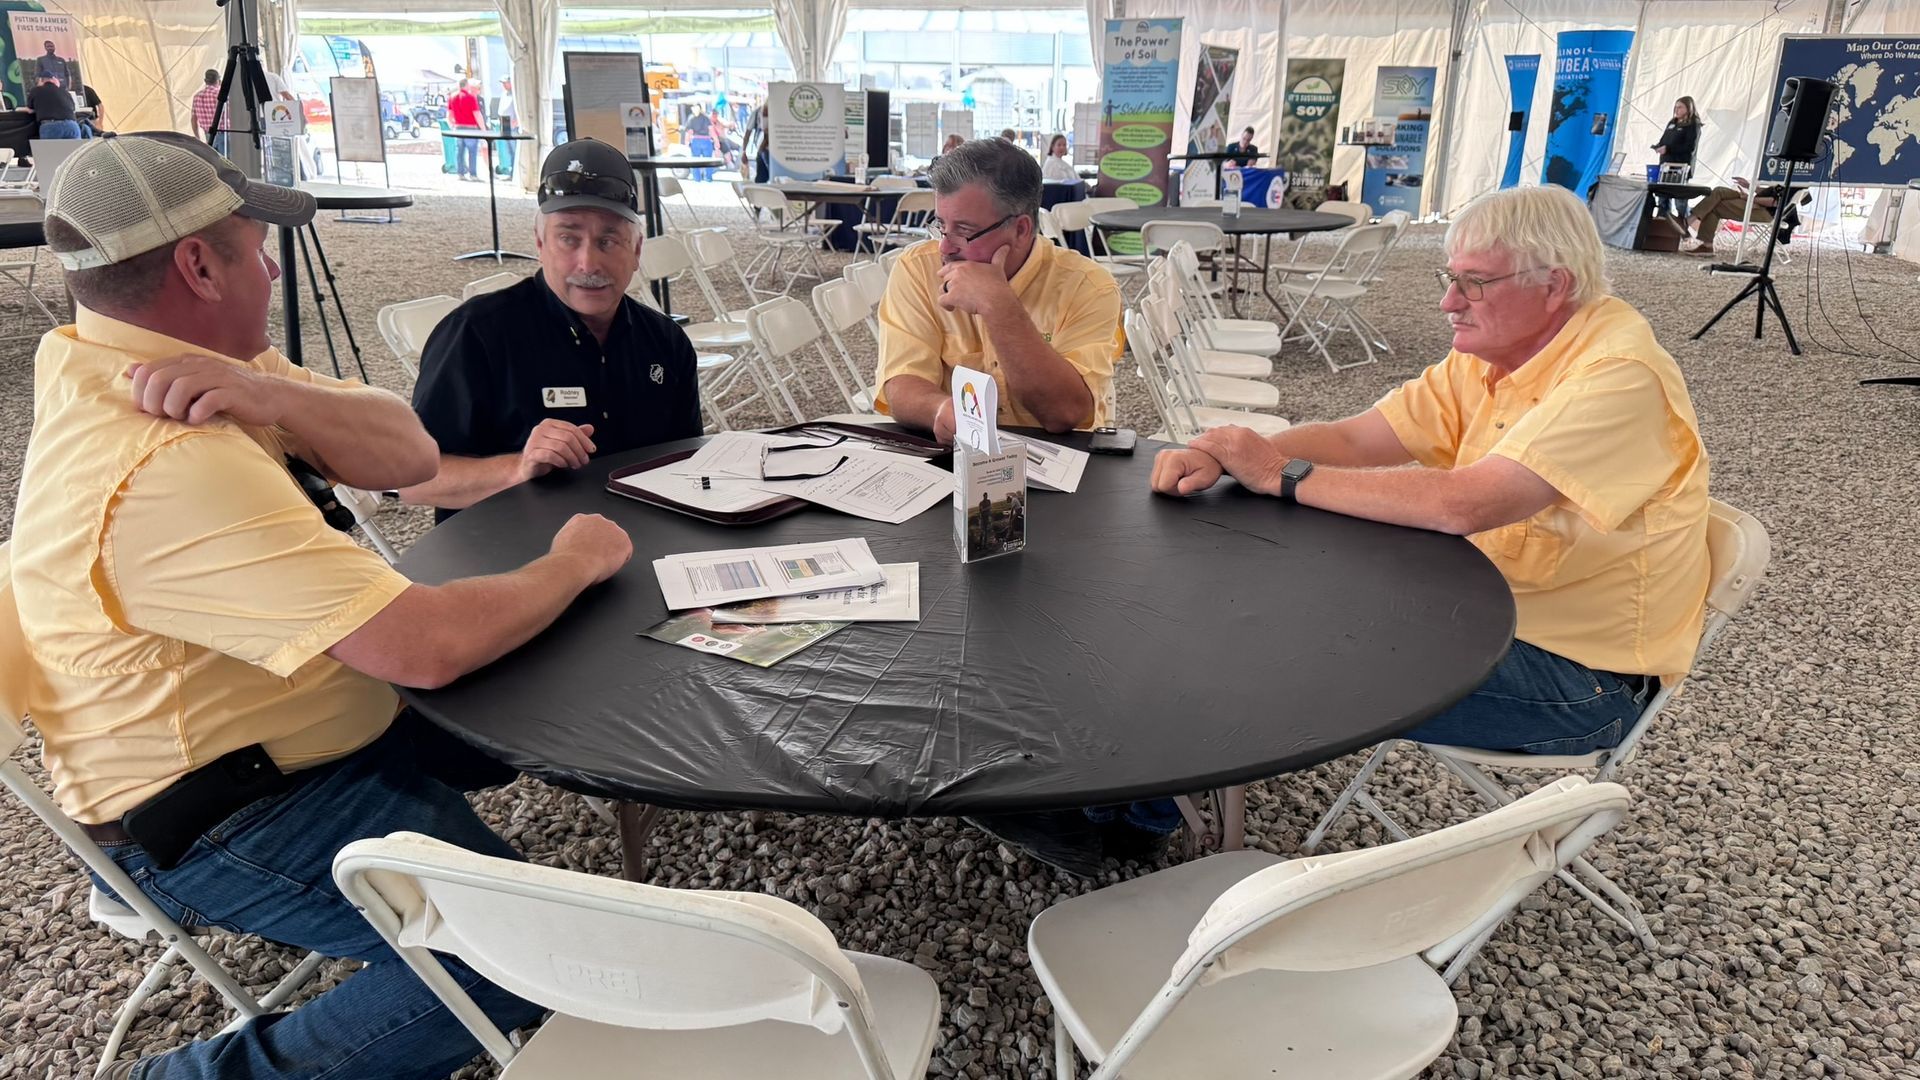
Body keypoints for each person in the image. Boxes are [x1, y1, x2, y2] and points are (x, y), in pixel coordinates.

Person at [19, 131, 635, 1079]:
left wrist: (272, 394)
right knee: (526, 956)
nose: (270, 265)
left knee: (560, 672)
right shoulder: (161, 461)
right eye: (251, 246)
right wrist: (573, 560)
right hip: (227, 807)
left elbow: (413, 456)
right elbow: (424, 647)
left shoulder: (127, 354)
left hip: (305, 722)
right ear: (196, 263)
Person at [1153, 184, 1710, 763]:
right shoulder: (1498, 349)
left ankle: (1142, 812)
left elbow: (1467, 503)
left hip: (1581, 681)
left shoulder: (1618, 374)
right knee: (1264, 598)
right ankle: (1175, 783)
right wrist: (1231, 453)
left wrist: (1277, 472)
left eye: (1474, 282)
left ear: (1555, 285)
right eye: (1449, 277)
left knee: (1265, 641)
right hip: (1485, 609)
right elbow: (1355, 438)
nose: (1450, 301)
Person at [404, 138, 701, 520]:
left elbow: (686, 462)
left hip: (642, 541)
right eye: (568, 238)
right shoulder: (476, 335)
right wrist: (519, 468)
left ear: (637, 250)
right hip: (513, 559)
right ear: (540, 243)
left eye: (609, 240)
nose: (588, 263)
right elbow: (414, 482)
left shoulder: (665, 342)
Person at [875, 136, 1121, 442]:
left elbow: (1064, 414)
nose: (945, 246)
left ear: (1020, 230)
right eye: (940, 225)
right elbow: (901, 382)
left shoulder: (1089, 287)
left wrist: (998, 304)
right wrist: (939, 410)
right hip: (955, 455)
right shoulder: (918, 269)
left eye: (965, 231)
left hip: (1061, 463)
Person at [1681, 176, 1800, 254]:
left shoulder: (1796, 182)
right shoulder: (1786, 177)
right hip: (1759, 205)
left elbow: (1774, 202)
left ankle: (1692, 228)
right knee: (1719, 191)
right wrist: (1748, 186)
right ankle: (1690, 224)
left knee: (1715, 206)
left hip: (1765, 213)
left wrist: (1749, 198)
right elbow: (1767, 194)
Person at [1652, 96, 1701, 222]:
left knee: (1680, 202)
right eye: (1676, 107)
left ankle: (1685, 224)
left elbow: (1689, 147)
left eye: (1680, 107)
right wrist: (1658, 146)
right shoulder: (1673, 122)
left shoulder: (1693, 125)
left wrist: (1668, 149)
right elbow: (1664, 140)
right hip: (1665, 165)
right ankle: (1662, 223)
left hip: (1680, 167)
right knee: (1663, 197)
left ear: (1688, 108)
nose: (1677, 110)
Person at [448, 78, 485, 181]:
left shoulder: (452, 97)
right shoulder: (471, 97)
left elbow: (449, 115)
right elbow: (477, 114)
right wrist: (483, 129)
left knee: (459, 152)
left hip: (458, 128)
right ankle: (473, 174)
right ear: (466, 85)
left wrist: (452, 125)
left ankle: (460, 173)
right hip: (471, 128)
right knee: (472, 152)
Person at [25, 73, 81, 140]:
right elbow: (73, 108)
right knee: (77, 150)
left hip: (51, 126)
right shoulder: (65, 92)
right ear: (53, 80)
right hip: (72, 125)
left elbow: (30, 110)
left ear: (40, 80)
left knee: (52, 150)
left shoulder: (36, 90)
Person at [191, 69, 222, 152]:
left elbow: (194, 119)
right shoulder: (221, 95)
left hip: (208, 135)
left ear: (205, 81)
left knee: (214, 162)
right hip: (225, 134)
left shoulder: (197, 96)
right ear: (219, 80)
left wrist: (198, 138)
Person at [685, 103, 715, 181]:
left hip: (696, 141)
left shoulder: (691, 118)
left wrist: (687, 142)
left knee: (695, 161)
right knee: (708, 161)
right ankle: (708, 178)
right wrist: (716, 140)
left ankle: (697, 179)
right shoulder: (706, 118)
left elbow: (689, 132)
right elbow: (711, 130)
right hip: (706, 141)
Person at [495, 76, 517, 176]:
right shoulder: (504, 94)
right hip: (504, 123)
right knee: (508, 150)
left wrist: (516, 121)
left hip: (512, 124)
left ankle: (514, 172)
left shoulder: (516, 94)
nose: (504, 85)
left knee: (514, 150)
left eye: (505, 83)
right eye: (503, 83)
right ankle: (511, 170)